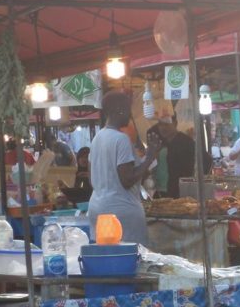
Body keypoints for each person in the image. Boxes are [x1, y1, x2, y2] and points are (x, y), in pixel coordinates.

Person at [88, 91, 161, 245]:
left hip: (97, 208)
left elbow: (92, 177)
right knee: (129, 259)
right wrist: (149, 158)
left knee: (107, 260)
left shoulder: (97, 139)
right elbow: (127, 180)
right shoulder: (121, 139)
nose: (130, 115)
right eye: (128, 110)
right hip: (121, 213)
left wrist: (146, 160)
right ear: (120, 110)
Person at [150, 114, 212, 199]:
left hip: (181, 195)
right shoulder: (163, 143)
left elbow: (207, 160)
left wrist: (193, 183)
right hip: (165, 193)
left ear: (175, 123)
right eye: (160, 124)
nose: (163, 128)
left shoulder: (186, 142)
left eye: (167, 124)